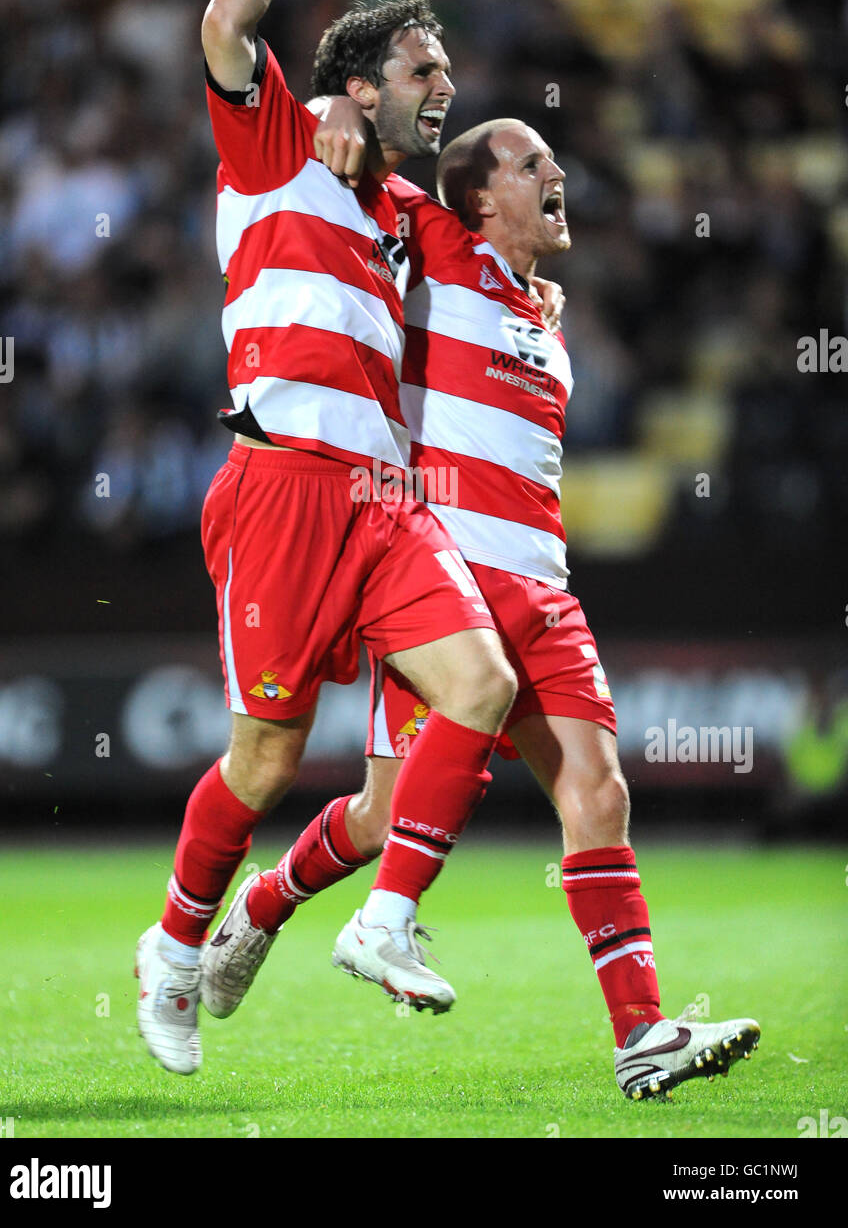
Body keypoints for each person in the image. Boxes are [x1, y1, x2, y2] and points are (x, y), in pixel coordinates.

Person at [203, 112, 761, 1101]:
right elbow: (357, 170)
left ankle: (641, 1035)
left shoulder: (543, 310)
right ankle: (270, 907)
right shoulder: (439, 245)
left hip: (543, 587)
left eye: (555, 159)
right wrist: (337, 112)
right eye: (532, 163)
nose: (559, 175)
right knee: (380, 816)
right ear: (479, 196)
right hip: (445, 582)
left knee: (599, 793)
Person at [135, 0, 519, 1077]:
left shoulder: (405, 207)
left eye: (447, 66)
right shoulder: (275, 141)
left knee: (482, 684)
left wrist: (533, 295)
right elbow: (222, 20)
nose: (441, 83)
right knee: (261, 760)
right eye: (421, 67)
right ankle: (173, 945)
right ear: (361, 87)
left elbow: (493, 242)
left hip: (385, 500)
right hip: (283, 490)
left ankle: (378, 918)